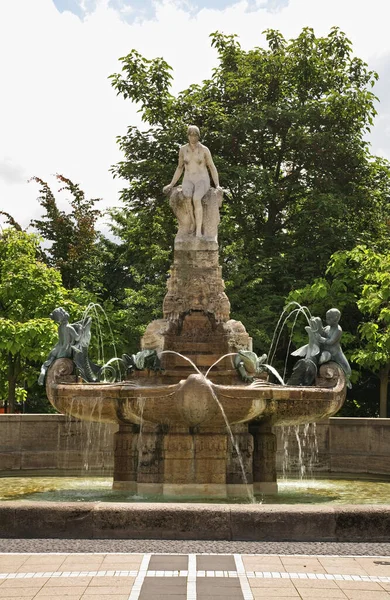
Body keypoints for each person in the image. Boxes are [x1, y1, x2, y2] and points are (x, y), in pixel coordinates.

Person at [163, 125, 222, 237]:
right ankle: (193, 223)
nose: (193, 137)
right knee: (187, 197)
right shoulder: (183, 150)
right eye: (191, 135)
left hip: (202, 179)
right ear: (188, 136)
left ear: (198, 136)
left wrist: (217, 184)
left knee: (196, 198)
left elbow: (212, 167)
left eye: (195, 135)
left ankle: (199, 230)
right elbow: (180, 168)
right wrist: (171, 184)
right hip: (188, 179)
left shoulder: (204, 150)